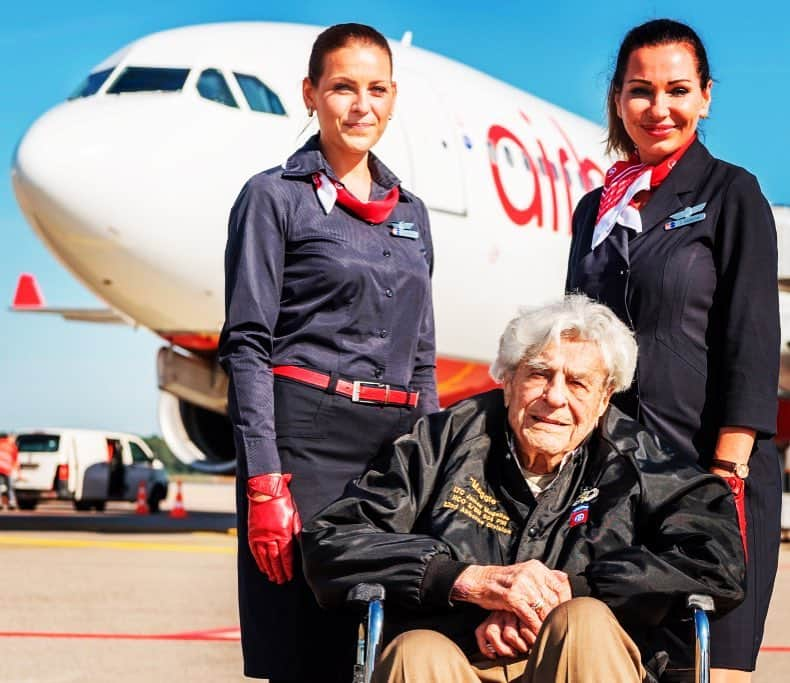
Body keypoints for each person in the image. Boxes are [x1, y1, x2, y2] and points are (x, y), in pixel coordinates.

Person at [302, 296, 745, 683]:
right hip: (462, 658)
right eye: (539, 374)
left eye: (577, 383)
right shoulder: (441, 443)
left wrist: (576, 590)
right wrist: (465, 581)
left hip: (587, 660)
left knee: (582, 622)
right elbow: (333, 540)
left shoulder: (639, 458)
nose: (555, 397)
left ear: (605, 396)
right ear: (508, 380)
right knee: (416, 650)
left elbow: (716, 560)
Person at [218, 22, 438, 682]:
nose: (360, 104)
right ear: (311, 94)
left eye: (376, 89)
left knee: (386, 645)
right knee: (306, 650)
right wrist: (263, 479)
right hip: (307, 440)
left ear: (394, 98)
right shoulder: (272, 198)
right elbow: (249, 345)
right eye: (342, 87)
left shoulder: (412, 213)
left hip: (394, 445)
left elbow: (423, 353)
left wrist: (430, 463)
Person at [564, 19, 780, 683]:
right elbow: (577, 337)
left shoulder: (730, 194)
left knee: (707, 669)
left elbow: (752, 337)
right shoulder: (595, 209)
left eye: (678, 90)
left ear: (706, 97)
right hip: (615, 483)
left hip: (709, 471)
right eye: (641, 91)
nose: (660, 108)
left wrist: (726, 473)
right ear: (618, 99)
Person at [0, 433, 19, 510]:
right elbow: (15, 458)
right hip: (8, 469)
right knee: (10, 487)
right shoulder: (11, 446)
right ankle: (12, 502)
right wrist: (17, 470)